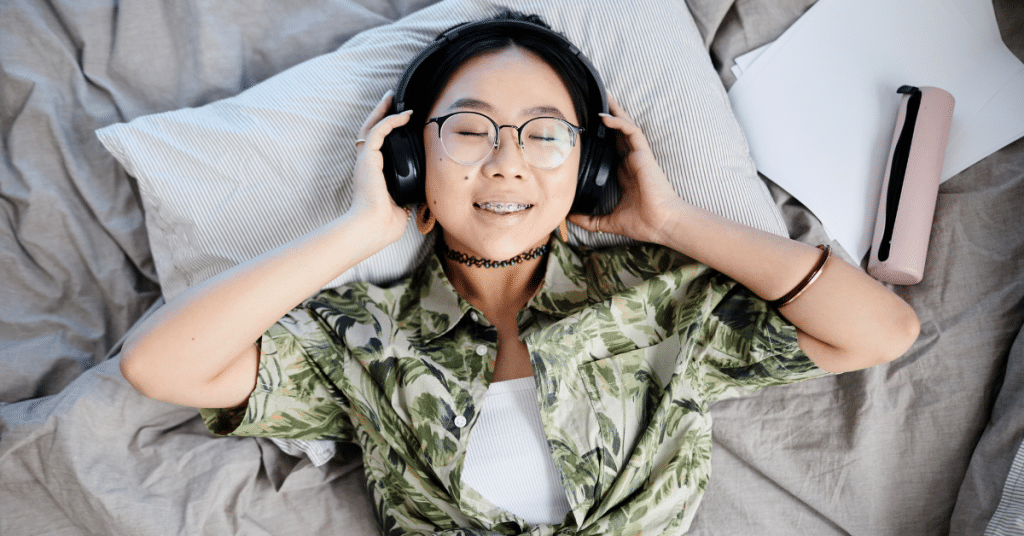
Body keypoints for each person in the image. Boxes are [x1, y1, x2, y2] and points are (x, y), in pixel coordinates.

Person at [119, 10, 920, 535]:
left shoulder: (660, 303)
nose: (506, 165)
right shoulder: (363, 338)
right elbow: (159, 365)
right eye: (469, 131)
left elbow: (883, 330)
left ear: (590, 167)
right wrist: (361, 227)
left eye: (545, 136)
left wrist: (670, 220)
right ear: (408, 157)